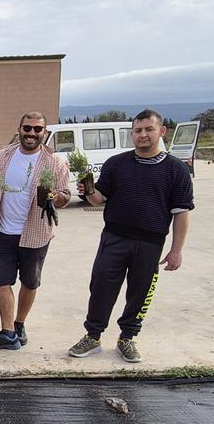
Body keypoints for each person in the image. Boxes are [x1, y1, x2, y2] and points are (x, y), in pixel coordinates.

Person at [68, 109, 194, 363]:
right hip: (114, 237)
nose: (143, 135)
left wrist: (176, 249)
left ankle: (127, 338)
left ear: (161, 131)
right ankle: (92, 337)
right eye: (138, 130)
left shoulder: (176, 170)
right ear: (132, 134)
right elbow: (99, 199)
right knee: (102, 286)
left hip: (151, 243)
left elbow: (181, 213)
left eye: (149, 129)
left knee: (140, 291)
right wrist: (87, 188)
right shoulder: (117, 163)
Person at [0, 111, 71, 351]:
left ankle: (19, 324)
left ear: (44, 132)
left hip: (36, 232)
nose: (31, 133)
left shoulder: (54, 163)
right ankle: (8, 332)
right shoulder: (3, 157)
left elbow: (65, 196)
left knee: (30, 282)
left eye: (37, 129)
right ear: (19, 129)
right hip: (4, 231)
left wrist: (54, 196)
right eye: (27, 128)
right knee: (1, 281)